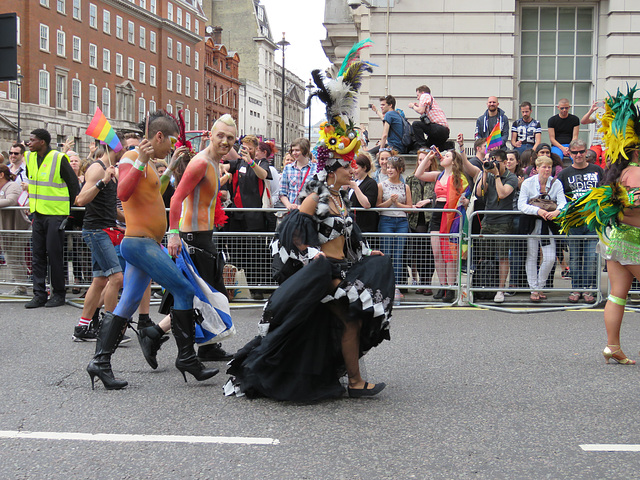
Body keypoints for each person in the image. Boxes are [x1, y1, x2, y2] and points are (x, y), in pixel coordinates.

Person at [226, 51, 393, 401]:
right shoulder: (316, 195)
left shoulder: (340, 197)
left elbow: (349, 235)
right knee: (349, 321)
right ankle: (355, 382)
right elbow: (294, 230)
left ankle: (344, 376)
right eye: (348, 166)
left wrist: (364, 252)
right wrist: (313, 257)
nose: (354, 170)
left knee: (344, 320)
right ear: (333, 168)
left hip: (340, 269)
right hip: (324, 273)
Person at [86, 111, 218, 390]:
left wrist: (170, 168)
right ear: (158, 136)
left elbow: (152, 194)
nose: (171, 146)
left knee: (128, 303)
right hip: (139, 243)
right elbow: (122, 193)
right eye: (169, 141)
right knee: (184, 290)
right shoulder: (132, 159)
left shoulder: (147, 163)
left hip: (145, 243)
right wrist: (142, 161)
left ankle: (100, 362)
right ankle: (186, 358)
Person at [556, 88, 640, 364]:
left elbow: (617, 208)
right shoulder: (637, 174)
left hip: (615, 242)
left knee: (617, 295)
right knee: (617, 295)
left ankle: (612, 346)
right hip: (634, 242)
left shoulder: (617, 174)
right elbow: (632, 206)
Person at [158, 113, 236, 364]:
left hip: (203, 236)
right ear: (210, 135)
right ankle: (154, 334)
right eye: (220, 135)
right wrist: (173, 235)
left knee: (212, 295)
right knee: (198, 296)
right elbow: (176, 198)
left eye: (230, 137)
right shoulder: (201, 162)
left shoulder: (214, 162)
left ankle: (208, 347)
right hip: (191, 237)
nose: (225, 141)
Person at [72, 137, 126, 342]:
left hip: (105, 228)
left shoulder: (112, 170)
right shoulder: (98, 169)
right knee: (117, 278)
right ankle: (110, 330)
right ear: (115, 148)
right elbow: (80, 200)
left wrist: (134, 220)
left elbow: (111, 209)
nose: (127, 152)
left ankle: (82, 327)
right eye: (126, 148)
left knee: (100, 280)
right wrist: (103, 182)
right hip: (96, 231)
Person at [24, 129, 79, 308]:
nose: (29, 143)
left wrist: (70, 211)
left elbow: (73, 185)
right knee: (37, 255)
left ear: (43, 142)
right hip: (37, 214)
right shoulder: (30, 158)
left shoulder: (58, 158)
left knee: (54, 255)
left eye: (33, 140)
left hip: (56, 214)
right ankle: (39, 294)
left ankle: (59, 294)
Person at [461, 148, 518, 303]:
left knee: (502, 257)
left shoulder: (511, 177)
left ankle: (500, 289)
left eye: (495, 161)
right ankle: (481, 285)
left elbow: (502, 193)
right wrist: (486, 172)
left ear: (504, 162)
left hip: (503, 222)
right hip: (487, 220)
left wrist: (497, 175)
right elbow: (480, 193)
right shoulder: (489, 175)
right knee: (482, 256)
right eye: (489, 160)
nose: (491, 163)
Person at [415, 148, 470, 302]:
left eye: (447, 156)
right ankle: (443, 285)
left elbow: (466, 195)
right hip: (437, 215)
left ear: (453, 161)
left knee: (450, 256)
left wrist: (465, 201)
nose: (443, 157)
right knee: (437, 254)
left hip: (451, 216)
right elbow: (419, 174)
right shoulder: (438, 175)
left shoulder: (459, 177)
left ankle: (451, 288)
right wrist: (427, 158)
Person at [224, 134, 272, 301]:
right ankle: (237, 287)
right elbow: (224, 166)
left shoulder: (260, 162)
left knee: (255, 251)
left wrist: (251, 162)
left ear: (255, 149)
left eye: (250, 148)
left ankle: (257, 286)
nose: (246, 150)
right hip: (237, 214)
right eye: (244, 147)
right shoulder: (238, 163)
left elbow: (263, 175)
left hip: (254, 215)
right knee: (236, 250)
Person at [556, 139, 604, 304]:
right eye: (575, 152)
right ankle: (576, 289)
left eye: (581, 151)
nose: (578, 155)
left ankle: (589, 290)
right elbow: (559, 197)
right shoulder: (564, 173)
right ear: (570, 153)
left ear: (586, 152)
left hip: (592, 221)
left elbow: (605, 192)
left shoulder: (597, 170)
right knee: (575, 258)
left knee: (591, 258)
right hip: (574, 222)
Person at [518, 156, 566, 302]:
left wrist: (556, 212)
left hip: (549, 224)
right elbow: (522, 205)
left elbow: (563, 203)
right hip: (531, 223)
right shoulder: (528, 183)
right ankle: (534, 289)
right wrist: (538, 211)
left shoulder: (556, 183)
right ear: (536, 169)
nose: (546, 170)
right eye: (543, 167)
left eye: (549, 167)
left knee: (550, 257)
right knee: (532, 256)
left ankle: (540, 286)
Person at [377, 156, 412, 305]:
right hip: (386, 220)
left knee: (398, 255)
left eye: (393, 167)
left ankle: (396, 287)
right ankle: (386, 286)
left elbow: (410, 207)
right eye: (388, 167)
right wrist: (389, 202)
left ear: (400, 170)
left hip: (402, 221)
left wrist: (397, 203)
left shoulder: (405, 187)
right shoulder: (381, 185)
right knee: (387, 255)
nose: (389, 169)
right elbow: (378, 206)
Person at [406, 148, 439, 296]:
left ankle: (427, 282)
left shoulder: (437, 177)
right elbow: (406, 196)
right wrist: (410, 205)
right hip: (415, 218)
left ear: (431, 161)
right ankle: (420, 281)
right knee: (418, 252)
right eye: (419, 159)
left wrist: (428, 200)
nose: (421, 162)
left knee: (429, 253)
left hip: (431, 217)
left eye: (424, 159)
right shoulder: (411, 179)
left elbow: (442, 195)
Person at [0, 165, 31, 295]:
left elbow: (11, 200)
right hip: (8, 230)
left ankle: (21, 287)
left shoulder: (12, 186)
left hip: (19, 229)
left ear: (1, 174)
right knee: (16, 258)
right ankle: (22, 284)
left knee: (12, 258)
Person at [504, 149, 527, 291]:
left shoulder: (523, 177)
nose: (509, 162)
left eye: (512, 159)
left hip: (518, 215)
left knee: (516, 251)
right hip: (503, 215)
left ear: (517, 161)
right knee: (503, 252)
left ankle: (513, 282)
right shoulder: (500, 175)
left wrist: (520, 187)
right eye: (506, 159)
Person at [409, 85, 450, 151]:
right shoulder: (431, 100)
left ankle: (422, 148)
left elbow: (420, 110)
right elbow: (422, 110)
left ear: (422, 92)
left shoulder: (425, 95)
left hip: (439, 128)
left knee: (416, 124)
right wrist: (418, 106)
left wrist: (413, 106)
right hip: (443, 132)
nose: (417, 98)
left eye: (418, 95)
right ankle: (447, 145)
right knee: (430, 147)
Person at [278, 137, 315, 210]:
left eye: (297, 150)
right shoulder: (288, 168)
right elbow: (282, 192)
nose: (294, 153)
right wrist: (289, 205)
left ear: (305, 151)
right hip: (293, 211)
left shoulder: (316, 169)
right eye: (293, 150)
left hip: (310, 211)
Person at [349, 152, 379, 234]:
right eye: (352, 168)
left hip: (364, 227)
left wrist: (355, 188)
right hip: (352, 226)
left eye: (356, 168)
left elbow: (367, 204)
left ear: (364, 168)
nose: (354, 171)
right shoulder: (355, 182)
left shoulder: (371, 183)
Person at [581, 100, 607, 169]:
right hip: (596, 143)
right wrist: (591, 110)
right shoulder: (599, 114)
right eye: (605, 102)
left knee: (606, 158)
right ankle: (595, 173)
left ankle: (603, 177)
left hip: (609, 144)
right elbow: (583, 121)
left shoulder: (617, 116)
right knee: (590, 156)